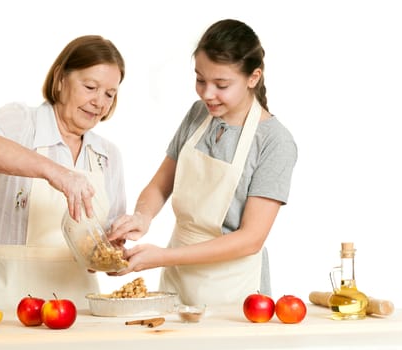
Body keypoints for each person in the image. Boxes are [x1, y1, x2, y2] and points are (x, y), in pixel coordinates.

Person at [108, 19, 297, 306]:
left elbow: (251, 239)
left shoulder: (274, 141)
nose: (207, 94)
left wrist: (164, 257)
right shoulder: (199, 115)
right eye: (200, 79)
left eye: (221, 85)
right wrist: (141, 217)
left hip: (234, 290)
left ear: (253, 77)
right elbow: (161, 185)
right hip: (178, 280)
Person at [0, 35, 127, 311]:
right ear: (60, 79)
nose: (99, 102)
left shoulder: (107, 156)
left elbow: (105, 238)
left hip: (76, 306)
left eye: (110, 93)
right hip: (3, 297)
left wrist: (113, 250)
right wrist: (54, 172)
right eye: (90, 87)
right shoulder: (22, 122)